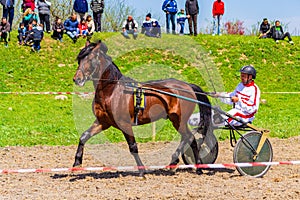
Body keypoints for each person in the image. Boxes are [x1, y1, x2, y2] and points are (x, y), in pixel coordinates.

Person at [189, 65, 261, 127]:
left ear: (250, 77)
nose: (241, 77)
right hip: (235, 113)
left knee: (228, 115)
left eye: (244, 76)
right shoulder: (240, 85)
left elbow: (253, 109)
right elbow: (230, 96)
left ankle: (210, 120)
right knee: (220, 112)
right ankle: (195, 119)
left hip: (246, 116)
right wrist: (219, 95)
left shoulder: (254, 89)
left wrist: (239, 101)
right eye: (241, 75)